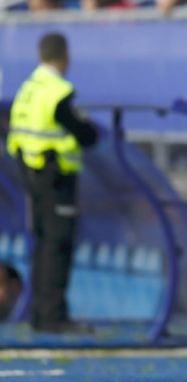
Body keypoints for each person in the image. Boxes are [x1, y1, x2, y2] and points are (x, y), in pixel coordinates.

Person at [6, 32, 98, 333]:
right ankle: (54, 316)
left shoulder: (28, 88)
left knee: (43, 243)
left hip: (31, 174)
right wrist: (89, 130)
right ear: (65, 56)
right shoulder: (57, 90)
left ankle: (39, 314)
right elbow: (81, 131)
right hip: (55, 175)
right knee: (58, 246)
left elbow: (16, 131)